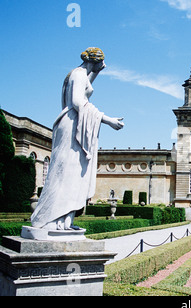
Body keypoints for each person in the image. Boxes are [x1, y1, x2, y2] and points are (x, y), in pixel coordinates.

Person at [31, 48, 124, 231]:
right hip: (73, 124)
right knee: (66, 172)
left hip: (74, 123)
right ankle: (50, 219)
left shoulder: (78, 74)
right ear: (95, 61)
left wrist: (96, 72)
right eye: (99, 64)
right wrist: (108, 120)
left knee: (73, 173)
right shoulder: (78, 75)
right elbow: (78, 102)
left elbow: (85, 90)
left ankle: (65, 221)